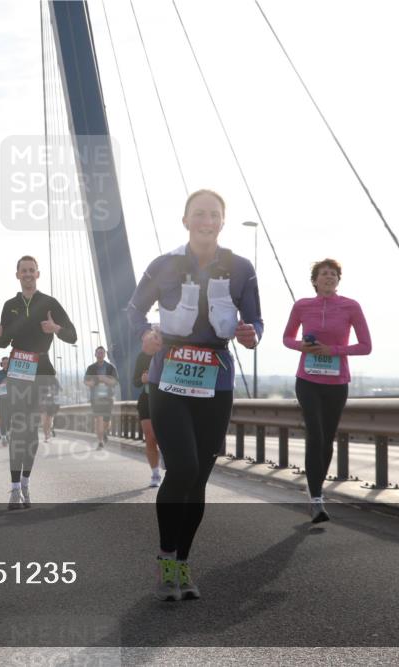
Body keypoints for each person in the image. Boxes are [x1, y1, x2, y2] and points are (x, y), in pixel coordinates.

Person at [126, 189, 262, 601]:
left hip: (215, 381)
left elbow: (255, 319)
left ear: (223, 221)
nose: (206, 221)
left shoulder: (240, 268)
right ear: (185, 220)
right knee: (182, 469)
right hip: (168, 378)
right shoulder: (164, 265)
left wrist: (252, 334)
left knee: (200, 477)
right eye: (198, 214)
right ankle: (166, 558)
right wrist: (145, 334)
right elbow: (133, 310)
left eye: (214, 215)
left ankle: (183, 562)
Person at [282, 258, 371, 523]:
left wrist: (332, 350)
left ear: (338, 280)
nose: (329, 277)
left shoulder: (350, 306)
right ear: (315, 280)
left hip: (337, 382)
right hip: (307, 380)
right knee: (315, 433)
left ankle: (314, 489)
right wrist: (303, 346)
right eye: (324, 274)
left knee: (328, 437)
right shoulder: (302, 306)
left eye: (333, 274)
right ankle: (317, 499)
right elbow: (287, 338)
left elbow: (365, 346)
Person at [0, 256, 77, 509]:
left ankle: (26, 481)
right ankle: (15, 489)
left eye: (31, 270)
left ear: (38, 274)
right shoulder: (10, 305)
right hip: (17, 370)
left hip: (42, 370)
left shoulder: (50, 303)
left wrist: (56, 328)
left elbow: (72, 336)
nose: (27, 274)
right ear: (17, 275)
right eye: (23, 271)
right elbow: (2, 341)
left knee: (31, 431)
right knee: (19, 429)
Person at [133, 350, 161, 487]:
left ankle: (171, 462)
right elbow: (135, 382)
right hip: (147, 400)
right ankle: (155, 473)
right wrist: (142, 380)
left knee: (163, 438)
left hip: (168, 401)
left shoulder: (172, 351)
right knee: (150, 437)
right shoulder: (142, 356)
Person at [84, 346, 118, 449]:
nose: (100, 355)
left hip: (108, 397)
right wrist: (94, 382)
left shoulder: (111, 368)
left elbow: (115, 382)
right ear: (95, 354)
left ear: (105, 355)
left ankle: (104, 433)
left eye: (102, 353)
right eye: (98, 353)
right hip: (95, 398)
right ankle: (100, 441)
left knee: (106, 421)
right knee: (98, 419)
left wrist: (104, 379)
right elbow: (86, 381)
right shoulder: (91, 368)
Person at [41, 377, 60, 442]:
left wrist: (57, 404)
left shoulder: (55, 380)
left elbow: (57, 392)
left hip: (52, 403)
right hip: (43, 402)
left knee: (49, 420)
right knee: (44, 421)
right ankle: (46, 435)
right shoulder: (40, 380)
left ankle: (48, 435)